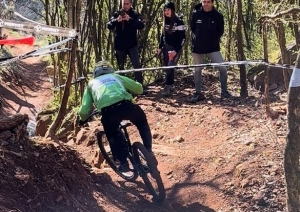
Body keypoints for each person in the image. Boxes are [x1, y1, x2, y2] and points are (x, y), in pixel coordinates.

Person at [77, 61, 157, 171]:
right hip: (126, 106)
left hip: (109, 112)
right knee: (141, 121)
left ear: (95, 73)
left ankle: (124, 163)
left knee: (112, 134)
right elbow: (138, 89)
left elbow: (85, 109)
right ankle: (148, 150)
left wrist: (82, 119)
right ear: (111, 70)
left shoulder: (91, 84)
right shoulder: (115, 76)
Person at [190, 0, 232, 102]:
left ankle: (224, 92)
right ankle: (198, 93)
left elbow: (220, 31)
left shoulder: (218, 16)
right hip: (197, 47)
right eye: (204, 1)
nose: (206, 4)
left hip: (212, 48)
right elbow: (193, 28)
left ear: (212, 3)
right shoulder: (196, 14)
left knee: (223, 68)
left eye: (208, 1)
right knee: (197, 70)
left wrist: (213, 39)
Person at [107, 0, 146, 92]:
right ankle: (122, 89)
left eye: (127, 4)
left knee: (136, 64)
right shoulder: (117, 13)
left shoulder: (135, 13)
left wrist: (130, 19)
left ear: (131, 4)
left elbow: (141, 25)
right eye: (124, 3)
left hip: (132, 44)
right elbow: (109, 25)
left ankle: (140, 87)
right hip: (120, 45)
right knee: (121, 68)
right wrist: (117, 21)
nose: (125, 5)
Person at [157, 1, 186, 96]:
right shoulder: (165, 21)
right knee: (167, 67)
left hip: (175, 48)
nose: (166, 12)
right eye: (165, 10)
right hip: (166, 47)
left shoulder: (179, 21)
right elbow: (163, 35)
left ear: (172, 10)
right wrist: (160, 47)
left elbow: (183, 38)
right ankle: (171, 84)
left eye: (168, 10)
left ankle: (168, 86)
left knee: (170, 65)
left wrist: (176, 50)